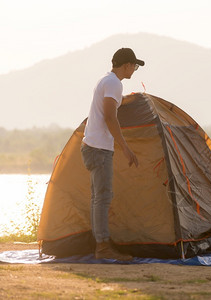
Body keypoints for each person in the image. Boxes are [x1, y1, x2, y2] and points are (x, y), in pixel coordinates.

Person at [81, 48, 144, 260]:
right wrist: (125, 148)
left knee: (97, 198)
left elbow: (109, 110)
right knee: (103, 198)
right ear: (126, 65)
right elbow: (110, 116)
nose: (134, 70)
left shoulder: (107, 81)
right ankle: (102, 247)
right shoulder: (114, 83)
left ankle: (99, 243)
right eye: (134, 66)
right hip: (99, 148)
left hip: (93, 145)